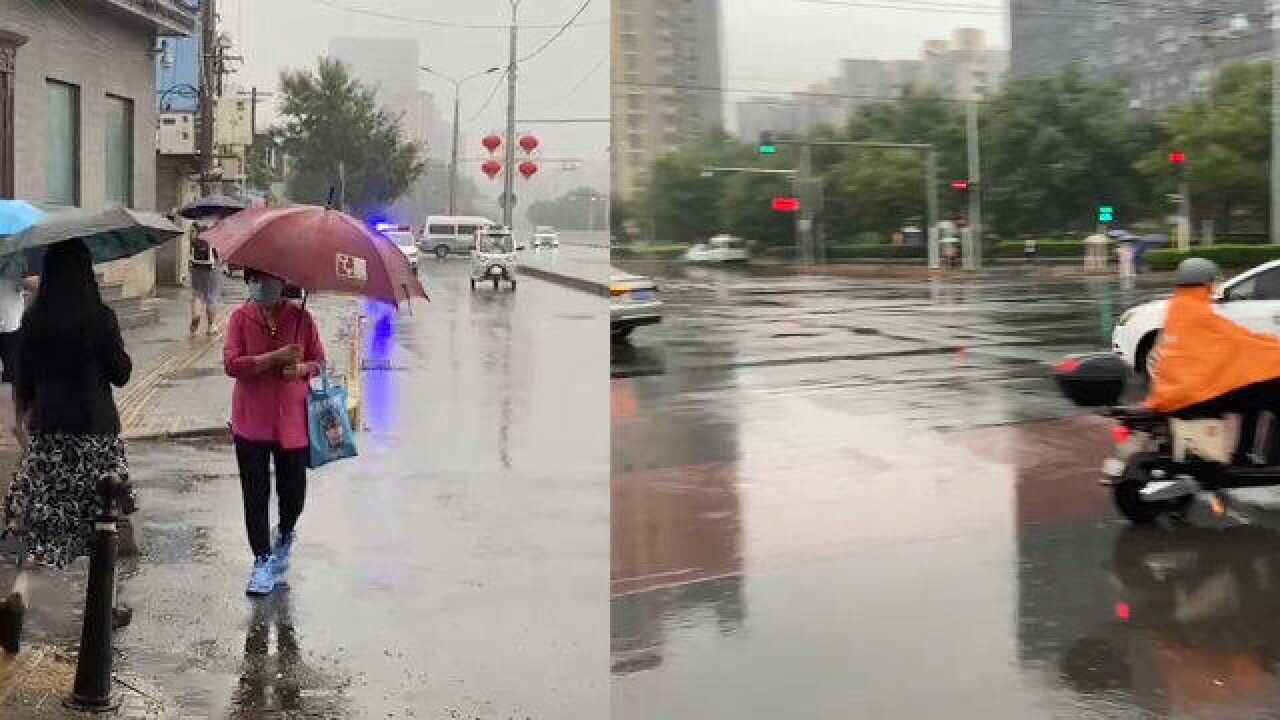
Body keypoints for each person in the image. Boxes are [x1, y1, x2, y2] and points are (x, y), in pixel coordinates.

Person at [3, 239, 135, 568]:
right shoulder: (100, 318)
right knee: (104, 522)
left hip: (50, 432)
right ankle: (104, 603)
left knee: (49, 521)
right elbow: (121, 374)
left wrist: (22, 421)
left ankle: (25, 592)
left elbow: (25, 382)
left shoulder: (34, 320)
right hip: (96, 431)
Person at [223, 269, 325, 595]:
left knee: (293, 493)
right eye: (253, 280)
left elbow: (320, 361)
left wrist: (302, 369)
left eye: (266, 280)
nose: (260, 286)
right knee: (255, 494)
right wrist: (273, 358)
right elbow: (232, 364)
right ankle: (262, 559)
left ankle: (285, 535)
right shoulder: (240, 318)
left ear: (282, 283)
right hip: (251, 422)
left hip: (292, 423)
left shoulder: (301, 319)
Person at [1146, 257, 1280, 462]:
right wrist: (1271, 347)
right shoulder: (1199, 313)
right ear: (1206, 283)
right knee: (1267, 395)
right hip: (1194, 396)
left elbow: (1230, 339)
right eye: (1214, 281)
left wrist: (1261, 343)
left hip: (1174, 391)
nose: (1215, 286)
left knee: (1251, 392)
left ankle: (1243, 455)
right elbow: (1237, 339)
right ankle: (1246, 457)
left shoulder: (1178, 308)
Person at [190, 218, 221, 336]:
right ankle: (211, 326)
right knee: (211, 296)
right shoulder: (215, 224)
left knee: (197, 293)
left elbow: (192, 241)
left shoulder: (195, 223)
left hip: (196, 265)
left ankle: (196, 315)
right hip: (211, 266)